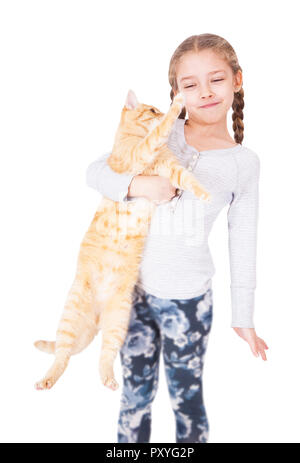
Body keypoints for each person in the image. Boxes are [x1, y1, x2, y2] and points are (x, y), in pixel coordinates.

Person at [86, 33, 269, 443]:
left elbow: (244, 239)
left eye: (216, 79)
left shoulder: (244, 164)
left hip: (189, 301)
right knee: (135, 398)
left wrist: (244, 316)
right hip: (133, 293)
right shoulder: (158, 132)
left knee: (187, 401)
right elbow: (96, 171)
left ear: (237, 81)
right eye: (190, 84)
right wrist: (139, 185)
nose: (204, 92)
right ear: (175, 93)